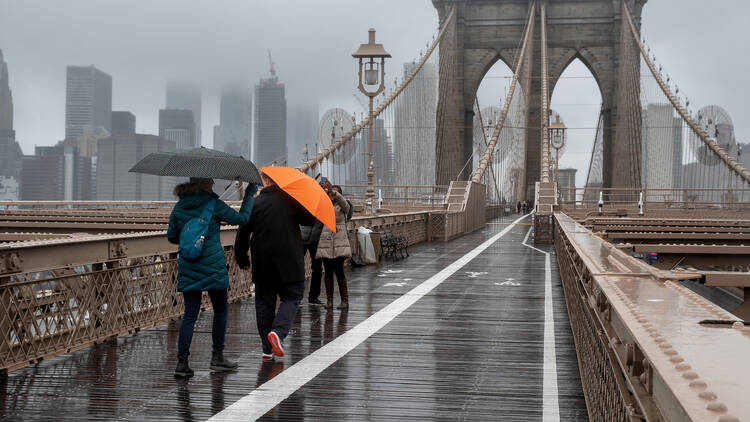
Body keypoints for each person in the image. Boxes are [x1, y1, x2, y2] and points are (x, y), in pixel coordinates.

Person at [167, 177, 257, 378]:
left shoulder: (179, 206)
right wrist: (250, 194)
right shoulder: (213, 204)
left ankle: (182, 363)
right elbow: (242, 219)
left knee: (190, 314)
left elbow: (172, 237)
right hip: (213, 266)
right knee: (220, 310)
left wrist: (189, 233)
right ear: (207, 184)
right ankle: (217, 357)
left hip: (189, 264)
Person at [234, 172, 316, 360]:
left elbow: (242, 234)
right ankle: (278, 333)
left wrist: (242, 259)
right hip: (290, 262)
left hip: (263, 262)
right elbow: (310, 221)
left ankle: (266, 348)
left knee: (264, 303)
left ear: (266, 181)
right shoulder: (290, 200)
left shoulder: (254, 204)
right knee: (293, 296)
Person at [316, 183, 351, 310]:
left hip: (339, 242)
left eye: (335, 192)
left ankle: (344, 301)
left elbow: (346, 207)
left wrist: (335, 194)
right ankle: (329, 301)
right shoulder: (325, 205)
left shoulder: (343, 206)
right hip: (326, 241)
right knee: (328, 272)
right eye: (330, 192)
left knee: (339, 271)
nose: (331, 194)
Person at [300, 220, 324, 305]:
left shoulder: (324, 207)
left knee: (317, 268)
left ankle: (314, 296)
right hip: (301, 237)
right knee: (297, 267)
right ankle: (297, 295)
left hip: (316, 238)